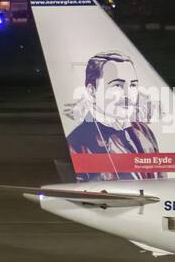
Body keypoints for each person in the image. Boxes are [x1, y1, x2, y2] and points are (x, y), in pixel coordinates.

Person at [66, 51, 164, 181]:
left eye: (133, 85)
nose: (128, 94)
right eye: (117, 85)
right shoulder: (77, 144)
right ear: (92, 91)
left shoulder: (144, 131)